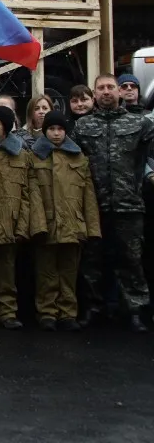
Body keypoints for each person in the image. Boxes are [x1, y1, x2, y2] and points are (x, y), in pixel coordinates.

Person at [74, 74, 154, 332]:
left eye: (111, 87)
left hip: (128, 204)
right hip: (93, 205)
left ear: (119, 92)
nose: (106, 92)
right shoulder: (83, 126)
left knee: (131, 260)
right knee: (92, 262)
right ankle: (94, 308)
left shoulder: (140, 124)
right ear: (94, 94)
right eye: (101, 88)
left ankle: (136, 311)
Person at [0, 105, 46, 329]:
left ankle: (8, 312)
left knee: (7, 271)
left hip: (10, 223)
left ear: (6, 127)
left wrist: (22, 225)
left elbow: (27, 193)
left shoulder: (22, 154)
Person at [30, 111, 101, 332]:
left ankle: (68, 312)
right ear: (45, 131)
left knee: (69, 272)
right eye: (52, 129)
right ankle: (47, 312)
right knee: (46, 272)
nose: (56, 133)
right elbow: (32, 195)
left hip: (73, 223)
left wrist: (92, 228)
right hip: (48, 224)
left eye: (60, 129)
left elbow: (88, 196)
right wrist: (38, 225)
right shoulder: (35, 157)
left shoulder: (79, 158)